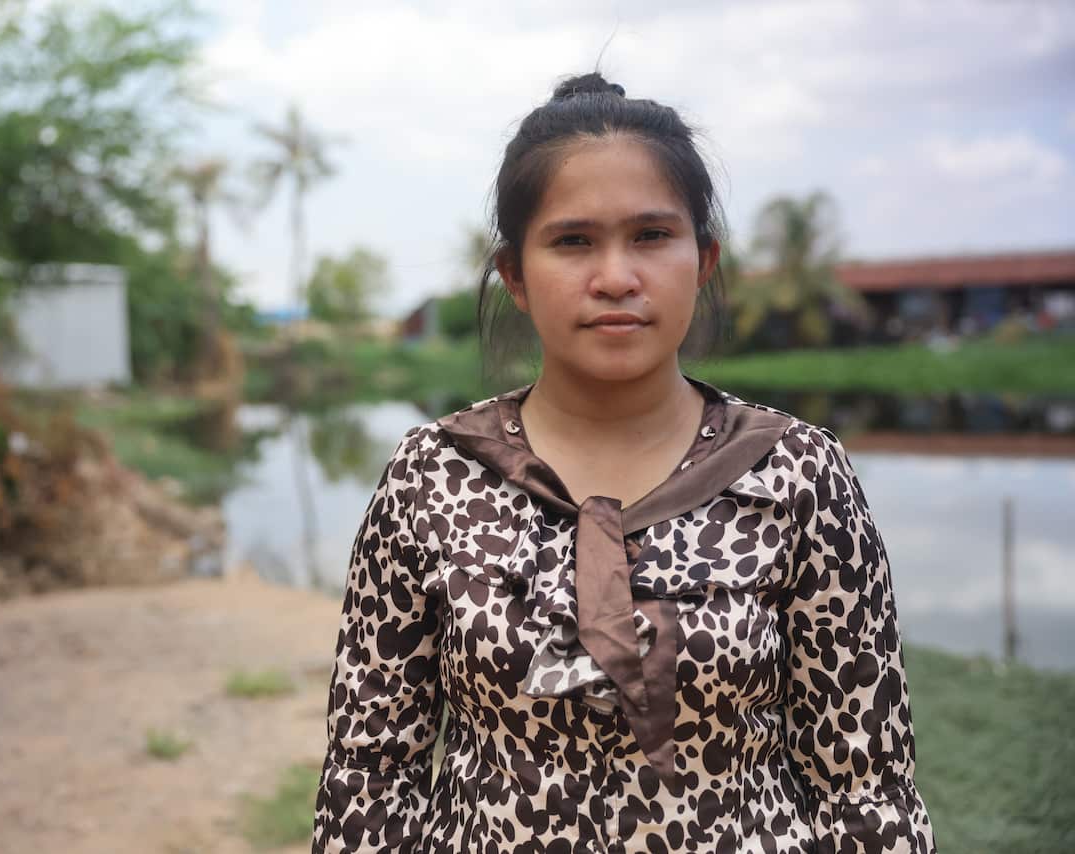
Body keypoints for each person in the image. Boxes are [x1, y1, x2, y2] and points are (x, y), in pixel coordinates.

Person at [313, 73, 936, 853]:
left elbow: (865, 782)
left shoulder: (797, 472)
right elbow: (369, 773)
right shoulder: (432, 476)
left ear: (702, 259)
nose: (615, 277)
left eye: (650, 235)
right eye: (573, 241)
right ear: (515, 276)